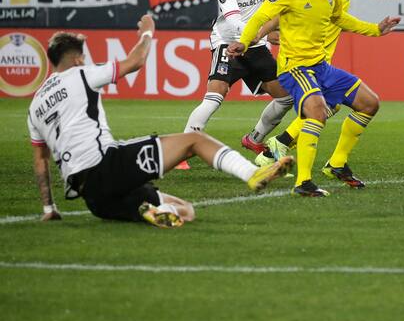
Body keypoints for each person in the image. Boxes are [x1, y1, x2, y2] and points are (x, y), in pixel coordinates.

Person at [27, 15, 294, 229]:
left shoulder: (36, 105)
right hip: (108, 165)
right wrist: (147, 31)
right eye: (83, 58)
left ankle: (155, 210)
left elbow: (41, 161)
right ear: (77, 59)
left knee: (186, 211)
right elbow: (135, 61)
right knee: (195, 140)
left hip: (92, 197)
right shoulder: (81, 74)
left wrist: (49, 208)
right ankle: (251, 173)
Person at [227, 0, 401, 197]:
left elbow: (340, 18)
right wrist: (243, 42)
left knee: (369, 102)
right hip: (294, 67)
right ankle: (303, 182)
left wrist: (375, 29)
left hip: (320, 66)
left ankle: (336, 163)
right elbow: (261, 16)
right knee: (317, 110)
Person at [250, 0, 404, 165]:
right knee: (321, 108)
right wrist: (261, 34)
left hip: (322, 63)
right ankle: (288, 155)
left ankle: (281, 148)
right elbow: (279, 14)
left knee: (331, 106)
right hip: (303, 62)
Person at [184, 0, 293, 169]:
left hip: (255, 44)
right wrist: (263, 33)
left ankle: (254, 139)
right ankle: (183, 148)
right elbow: (233, 20)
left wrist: (278, 28)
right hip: (228, 42)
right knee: (216, 95)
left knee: (286, 97)